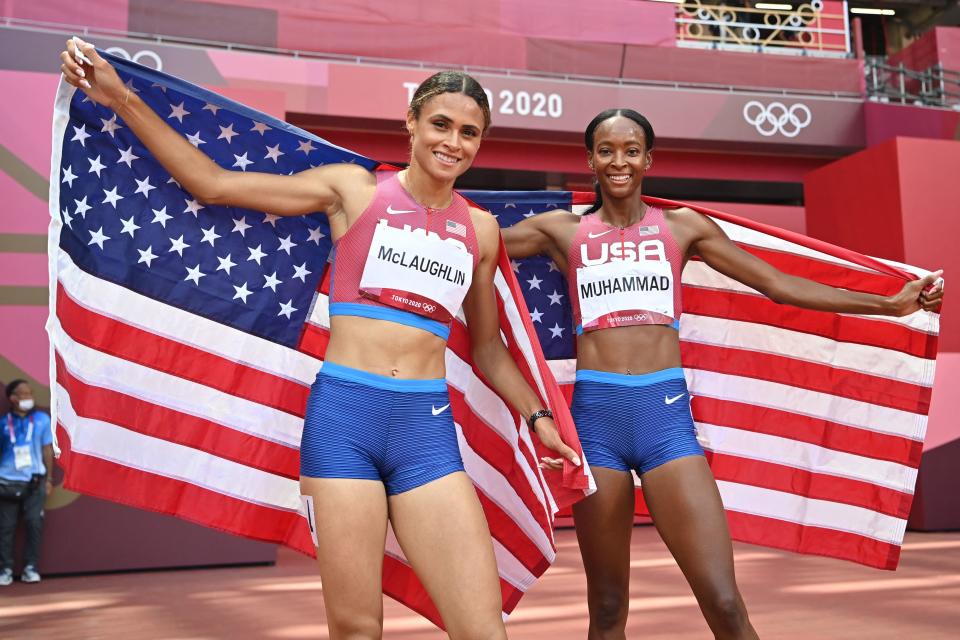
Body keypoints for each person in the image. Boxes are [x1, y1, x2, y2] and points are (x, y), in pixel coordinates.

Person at [59, 38, 581, 639]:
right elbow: (213, 183)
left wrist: (540, 418)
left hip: (426, 430)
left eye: (469, 132)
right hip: (343, 422)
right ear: (410, 123)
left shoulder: (481, 231)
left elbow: (488, 349)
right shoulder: (352, 190)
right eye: (440, 124)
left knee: (481, 629)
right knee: (357, 628)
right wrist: (121, 97)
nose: (452, 143)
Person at [501, 108, 944, 640]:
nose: (619, 161)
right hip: (595, 425)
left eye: (631, 149)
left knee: (725, 602)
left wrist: (889, 305)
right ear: (590, 159)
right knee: (609, 608)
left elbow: (779, 285)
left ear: (649, 158)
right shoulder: (560, 231)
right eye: (606, 150)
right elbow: (473, 243)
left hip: (664, 421)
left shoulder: (683, 227)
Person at [0, 380, 54, 586]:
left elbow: (47, 450)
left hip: (35, 481)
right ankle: (5, 568)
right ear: (12, 398)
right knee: (5, 527)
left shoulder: (41, 419)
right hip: (7, 482)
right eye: (23, 394)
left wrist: (49, 479)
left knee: (34, 524)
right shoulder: (4, 423)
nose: (28, 398)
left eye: (30, 393)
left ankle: (30, 567)